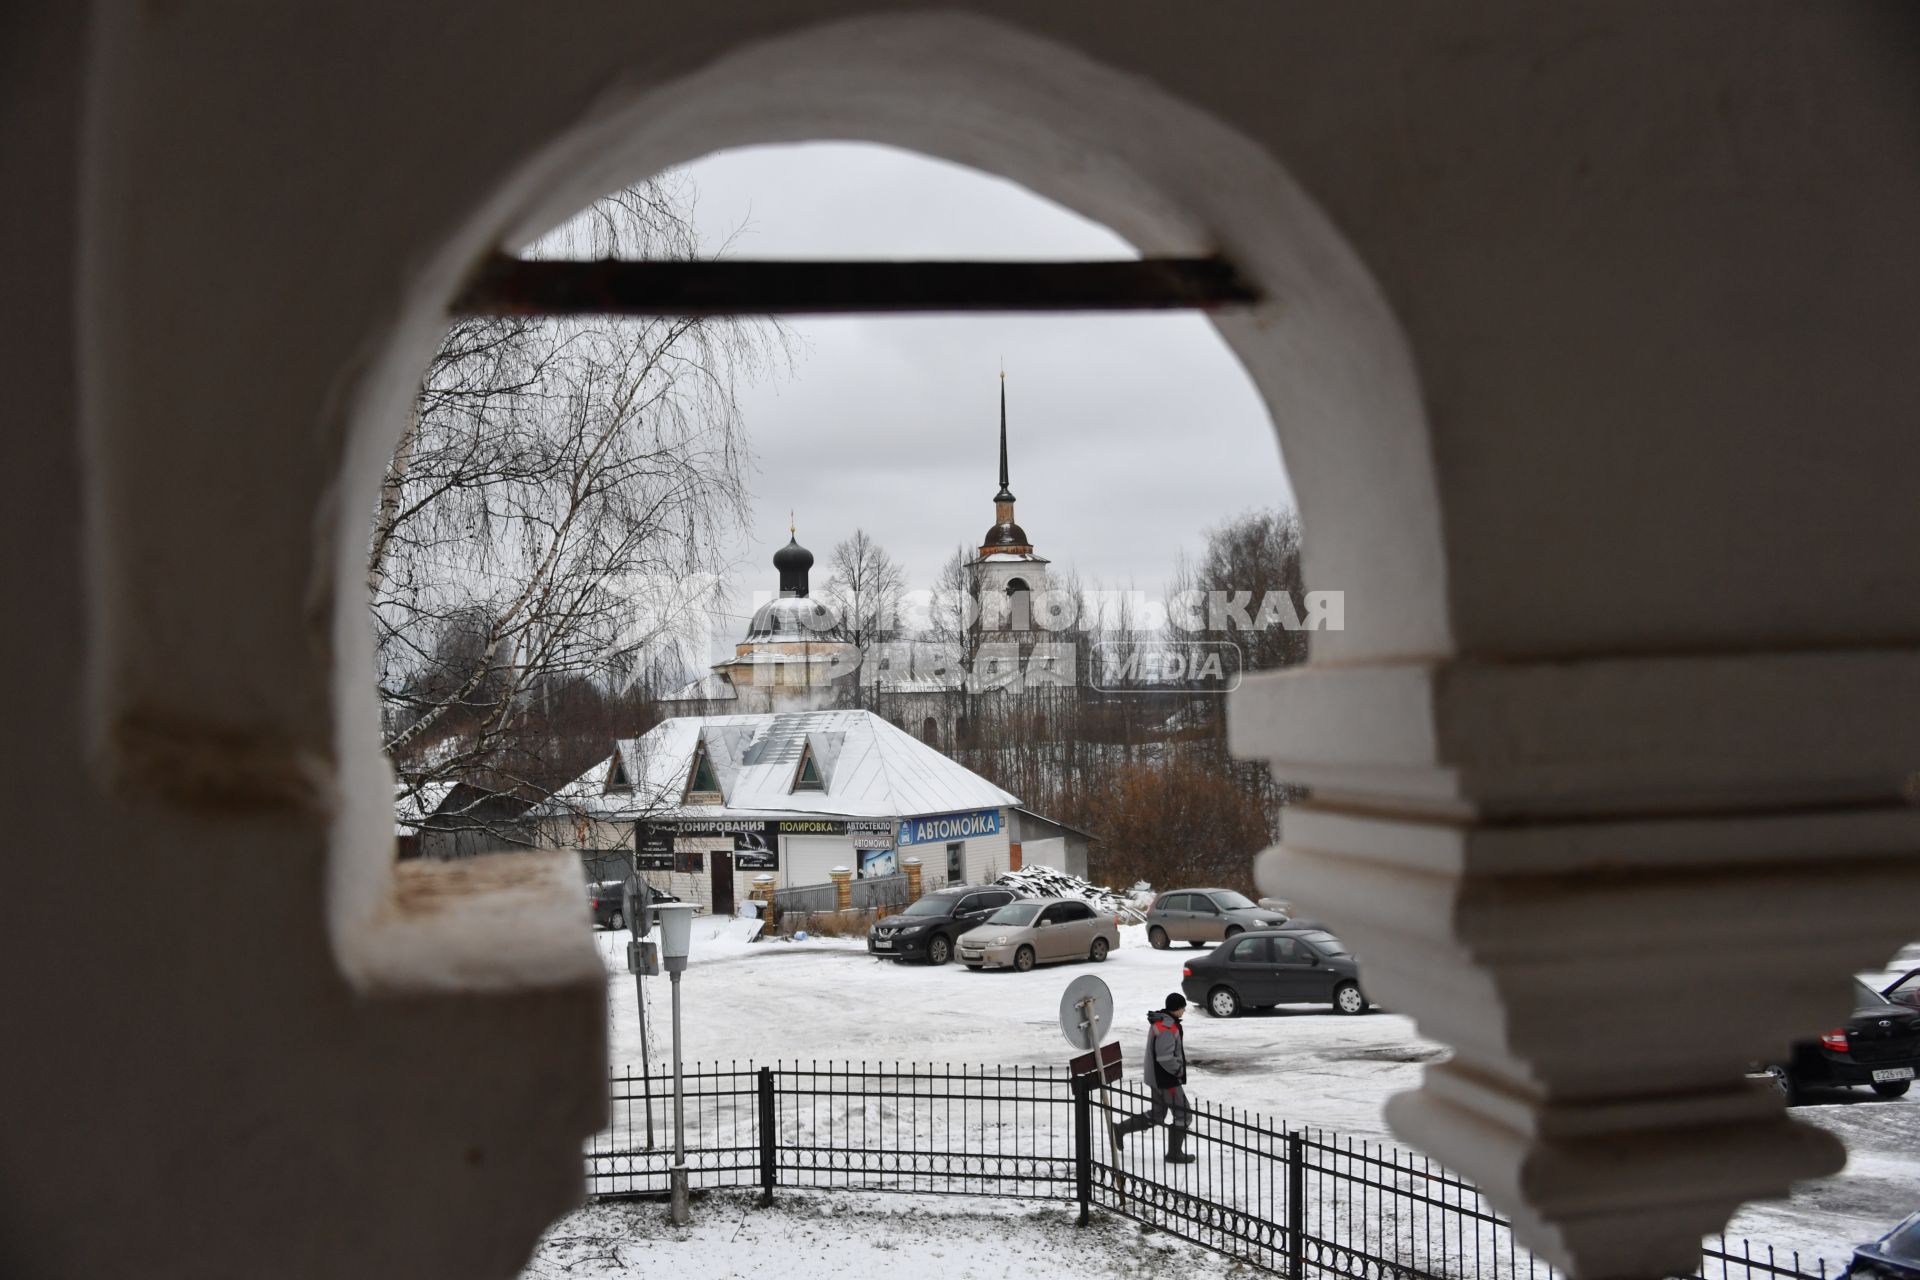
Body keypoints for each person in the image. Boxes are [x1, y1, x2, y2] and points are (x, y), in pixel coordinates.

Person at [1112, 992, 1195, 1164]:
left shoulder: (1161, 1021)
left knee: (1158, 1115)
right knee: (1183, 1114)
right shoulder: (1167, 1027)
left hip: (1157, 1078)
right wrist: (1178, 1070)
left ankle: (1120, 1129)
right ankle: (1175, 1153)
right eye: (1182, 1008)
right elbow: (1165, 1058)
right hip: (1167, 1080)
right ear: (1176, 1008)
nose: (1184, 1011)